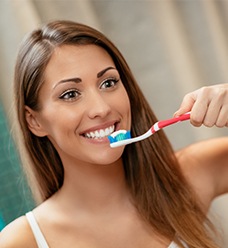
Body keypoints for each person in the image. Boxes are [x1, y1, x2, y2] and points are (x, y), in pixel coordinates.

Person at [0, 20, 227, 248]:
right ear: (35, 121)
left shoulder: (189, 175)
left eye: (108, 83)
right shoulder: (22, 241)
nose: (101, 108)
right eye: (70, 94)